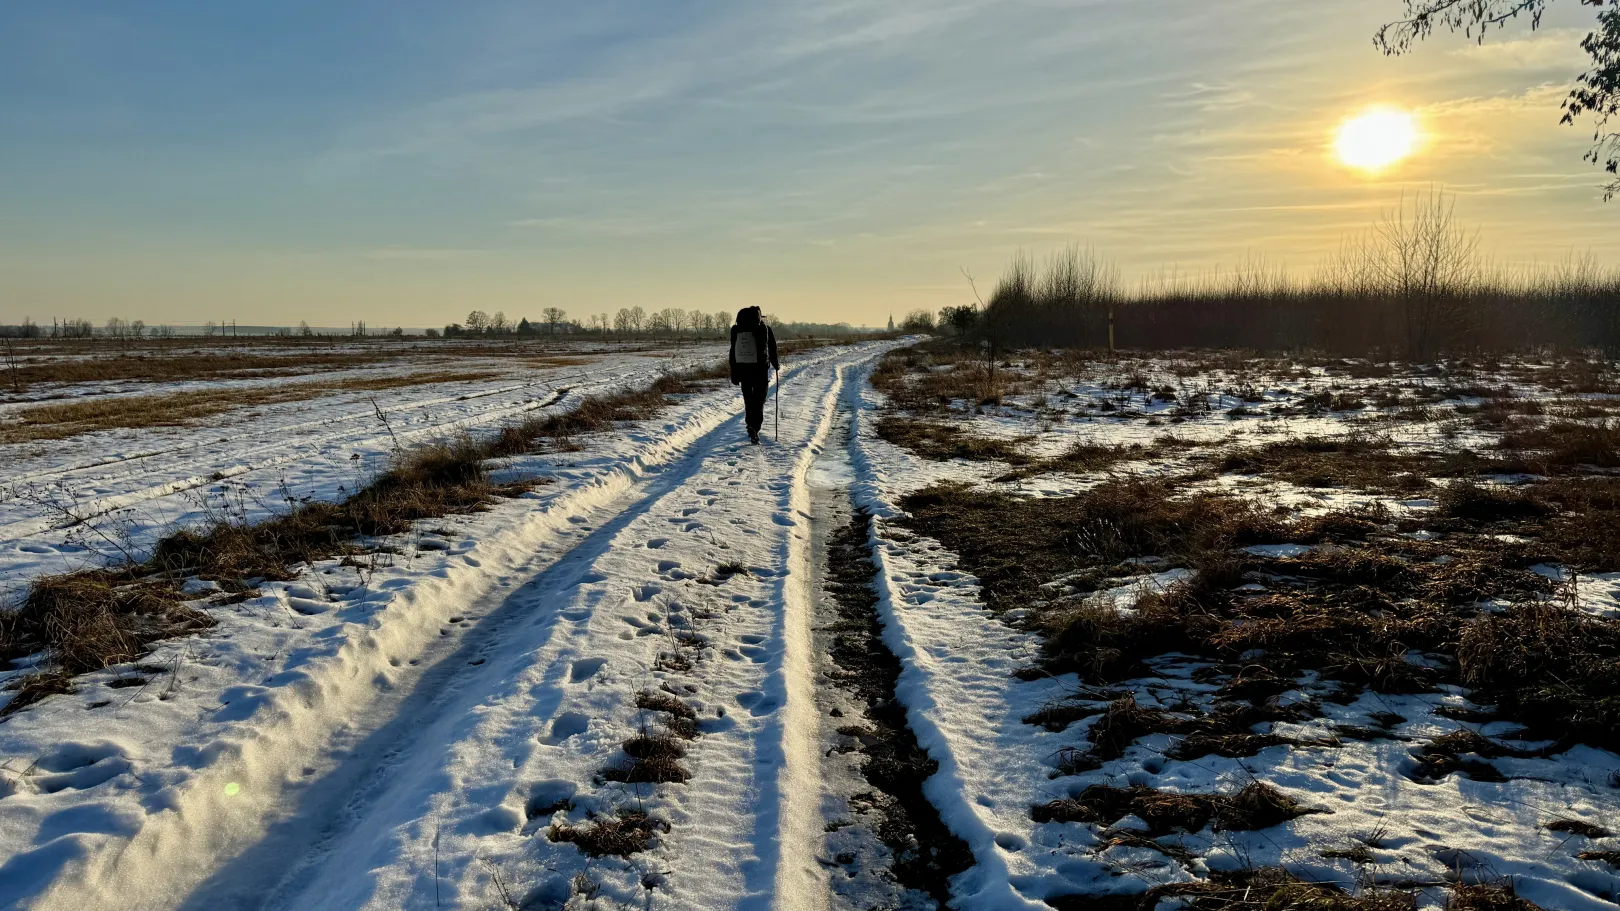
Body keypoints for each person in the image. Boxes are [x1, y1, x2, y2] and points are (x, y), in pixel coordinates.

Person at [729, 306, 779, 444]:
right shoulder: (765, 330)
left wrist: (734, 372)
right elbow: (772, 348)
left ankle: (750, 424)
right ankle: (755, 427)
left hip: (743, 371)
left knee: (748, 400)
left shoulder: (737, 331)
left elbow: (732, 351)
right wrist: (776, 364)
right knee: (759, 400)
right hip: (760, 370)